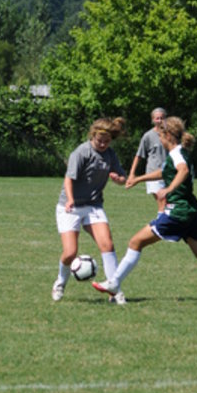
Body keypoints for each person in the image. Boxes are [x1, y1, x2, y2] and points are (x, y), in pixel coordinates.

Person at [93, 116, 197, 306]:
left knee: (136, 241)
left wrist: (169, 189)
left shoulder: (177, 154)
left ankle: (114, 283)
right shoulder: (180, 152)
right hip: (191, 211)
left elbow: (182, 171)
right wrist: (138, 179)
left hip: (178, 211)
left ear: (168, 136)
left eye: (161, 136)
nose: (160, 140)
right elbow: (165, 172)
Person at [52, 116, 128, 305]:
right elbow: (68, 179)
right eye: (99, 140)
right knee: (70, 252)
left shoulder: (110, 154)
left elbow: (123, 177)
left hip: (93, 205)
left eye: (106, 141)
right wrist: (70, 199)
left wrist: (119, 180)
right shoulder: (81, 152)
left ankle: (114, 290)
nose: (103, 144)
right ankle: (60, 283)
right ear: (92, 136)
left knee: (107, 245)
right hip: (70, 206)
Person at [127, 107, 168, 211]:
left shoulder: (171, 135)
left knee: (168, 204)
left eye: (162, 118)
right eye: (157, 118)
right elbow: (139, 155)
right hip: (153, 174)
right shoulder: (148, 136)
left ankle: (163, 220)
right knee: (162, 202)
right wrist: (132, 173)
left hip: (168, 173)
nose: (160, 121)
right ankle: (161, 220)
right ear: (153, 120)